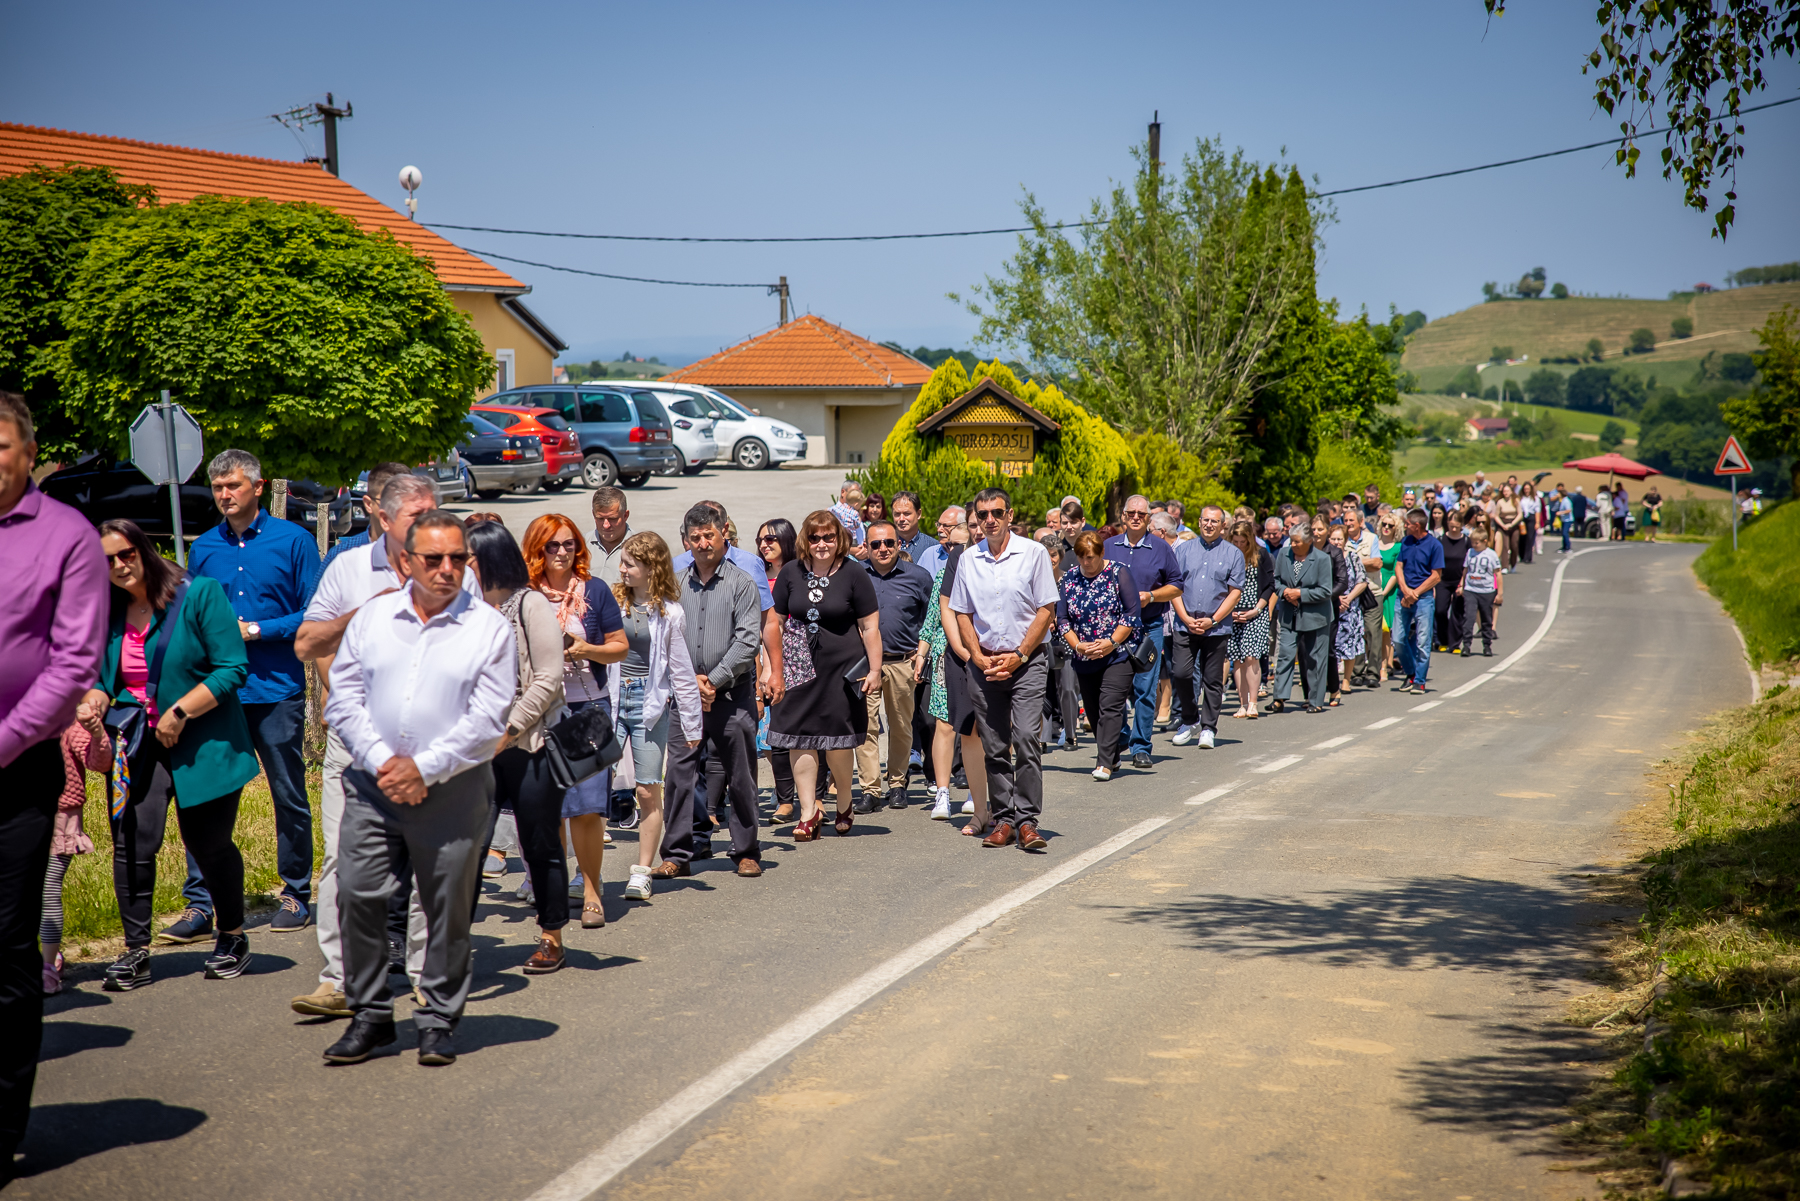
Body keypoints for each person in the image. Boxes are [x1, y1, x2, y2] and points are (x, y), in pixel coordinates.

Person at [320, 510, 513, 1067]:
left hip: (453, 790)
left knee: (446, 908)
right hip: (375, 786)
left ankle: (437, 1018)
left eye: (458, 558)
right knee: (356, 891)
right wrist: (386, 763)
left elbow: (485, 721)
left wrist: (422, 769)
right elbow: (345, 699)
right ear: (406, 561)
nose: (447, 569)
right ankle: (372, 1016)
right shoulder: (374, 618)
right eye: (434, 559)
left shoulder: (489, 630)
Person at [290, 473, 474, 1018]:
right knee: (340, 862)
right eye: (419, 515)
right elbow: (306, 642)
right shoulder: (348, 569)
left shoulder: (452, 571)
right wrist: (365, 613)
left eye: (434, 512)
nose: (430, 524)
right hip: (357, 744)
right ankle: (340, 978)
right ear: (386, 519)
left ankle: (426, 975)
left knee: (428, 865)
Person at [0, 392, 108, 1180]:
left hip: (17, 772)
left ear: (29, 452)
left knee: (4, 949)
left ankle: (3, 1119)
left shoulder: (66, 536)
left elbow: (72, 662)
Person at [82, 518, 260, 991]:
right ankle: (135, 950)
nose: (119, 566)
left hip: (205, 741)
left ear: (144, 549)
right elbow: (103, 678)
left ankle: (232, 935)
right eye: (107, 560)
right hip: (139, 742)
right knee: (132, 844)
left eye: (126, 554)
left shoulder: (198, 594)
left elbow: (232, 668)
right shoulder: (110, 610)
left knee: (208, 843)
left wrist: (180, 711)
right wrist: (96, 699)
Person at [178, 449, 323, 942]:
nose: (224, 495)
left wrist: (255, 630)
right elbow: (194, 613)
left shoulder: (295, 541)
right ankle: (200, 903)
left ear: (258, 488)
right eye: (218, 488)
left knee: (287, 792)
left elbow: (314, 612)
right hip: (219, 693)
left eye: (233, 486)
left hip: (275, 690)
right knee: (207, 796)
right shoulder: (205, 549)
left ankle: (296, 892)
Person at [462, 521, 572, 972]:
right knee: (467, 848)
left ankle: (552, 936)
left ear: (487, 557)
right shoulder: (464, 609)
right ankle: (452, 942)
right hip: (475, 751)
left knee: (539, 841)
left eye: (465, 556)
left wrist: (507, 729)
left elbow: (548, 677)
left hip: (529, 747)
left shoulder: (531, 604)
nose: (456, 564)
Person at [650, 506, 767, 877]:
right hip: (685, 698)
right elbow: (663, 637)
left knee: (741, 775)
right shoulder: (674, 585)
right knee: (680, 776)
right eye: (695, 537)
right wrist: (691, 685)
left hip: (732, 696)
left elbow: (748, 641)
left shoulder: (742, 583)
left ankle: (746, 850)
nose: (702, 543)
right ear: (686, 541)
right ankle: (677, 854)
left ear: (724, 536)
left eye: (709, 536)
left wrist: (712, 681)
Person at [522, 515, 626, 928]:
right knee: (550, 810)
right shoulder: (525, 596)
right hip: (540, 712)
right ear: (537, 549)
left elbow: (619, 647)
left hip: (587, 713)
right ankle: (555, 889)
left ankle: (593, 891)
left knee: (587, 811)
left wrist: (586, 648)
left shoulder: (595, 591)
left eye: (568, 544)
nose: (562, 552)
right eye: (552, 545)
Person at [948, 487, 1060, 851]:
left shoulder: (1034, 553)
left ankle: (1027, 821)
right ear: (976, 520)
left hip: (1026, 662)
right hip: (984, 662)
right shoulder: (968, 559)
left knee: (1026, 737)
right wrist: (975, 657)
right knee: (994, 746)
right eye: (982, 515)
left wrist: (1021, 655)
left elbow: (1046, 609)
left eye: (997, 512)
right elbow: (962, 612)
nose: (990, 520)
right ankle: (1004, 819)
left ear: (1010, 515)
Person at [767, 510, 882, 840]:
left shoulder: (854, 573)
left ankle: (844, 802)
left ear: (839, 539)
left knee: (837, 740)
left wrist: (875, 670)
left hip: (842, 670)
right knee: (798, 737)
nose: (821, 544)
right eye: (815, 537)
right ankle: (808, 812)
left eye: (828, 537)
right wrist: (771, 668)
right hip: (797, 664)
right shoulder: (791, 572)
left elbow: (870, 626)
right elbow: (774, 622)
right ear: (806, 539)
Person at [609, 533, 704, 901]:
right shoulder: (612, 601)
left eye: (630, 563)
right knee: (594, 784)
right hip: (612, 700)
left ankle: (641, 871)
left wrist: (693, 725)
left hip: (649, 704)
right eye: (623, 562)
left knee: (648, 789)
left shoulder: (670, 611)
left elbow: (681, 672)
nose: (622, 568)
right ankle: (583, 873)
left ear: (651, 568)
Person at [855, 521, 933, 811]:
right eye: (875, 544)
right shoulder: (856, 576)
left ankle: (897, 783)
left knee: (901, 726)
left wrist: (922, 653)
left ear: (899, 544)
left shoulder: (919, 577)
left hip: (903, 662)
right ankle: (870, 790)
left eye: (889, 542)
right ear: (867, 546)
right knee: (866, 726)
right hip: (864, 666)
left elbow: (932, 617)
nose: (883, 549)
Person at [1056, 532, 1142, 782]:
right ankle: (1113, 753)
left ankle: (1103, 763)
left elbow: (1131, 614)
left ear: (1101, 554)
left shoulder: (1118, 572)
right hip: (1084, 656)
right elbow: (1062, 619)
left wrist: (1111, 642)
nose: (1086, 562)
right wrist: (1078, 646)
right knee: (1093, 712)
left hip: (1117, 654)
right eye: (1081, 557)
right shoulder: (1070, 578)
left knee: (1110, 707)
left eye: (1091, 557)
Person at [1104, 495, 1182, 769]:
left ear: (1149, 518)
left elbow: (1176, 587)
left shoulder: (1161, 548)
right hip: (1115, 630)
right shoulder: (1108, 547)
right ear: (1123, 516)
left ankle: (1141, 747)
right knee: (1115, 690)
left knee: (1145, 688)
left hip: (1149, 627)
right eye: (1131, 513)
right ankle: (1121, 736)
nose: (1136, 517)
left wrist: (1151, 595)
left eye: (1141, 513)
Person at [1169, 505, 1245, 750]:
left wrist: (1213, 620)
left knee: (1212, 680)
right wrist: (1185, 617)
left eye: (1215, 521)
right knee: (1180, 673)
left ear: (1223, 525)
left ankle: (1208, 728)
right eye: (1205, 520)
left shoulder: (1234, 553)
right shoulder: (1183, 550)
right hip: (1185, 623)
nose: (1209, 525)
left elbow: (1234, 593)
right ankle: (1189, 720)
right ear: (1199, 522)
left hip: (1217, 627)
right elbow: (1174, 587)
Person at [1267, 523, 1334, 714]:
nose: (1293, 545)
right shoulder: (1284, 554)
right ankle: (1279, 698)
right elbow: (1276, 580)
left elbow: (1325, 590)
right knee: (1285, 655)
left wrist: (1300, 594)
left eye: (1297, 542)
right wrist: (1286, 592)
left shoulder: (1322, 559)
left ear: (1309, 541)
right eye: (1292, 541)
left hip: (1316, 616)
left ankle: (1315, 700)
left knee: (1315, 658)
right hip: (1289, 615)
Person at [1038, 534, 1084, 753]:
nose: (1050, 559)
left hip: (1065, 641)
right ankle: (1042, 737)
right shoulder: (1034, 582)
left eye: (1053, 554)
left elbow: (1078, 611)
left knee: (1066, 688)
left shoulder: (1069, 580)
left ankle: (1070, 734)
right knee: (1041, 691)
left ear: (1060, 555)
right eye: (1045, 555)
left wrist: (1061, 619)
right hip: (1040, 641)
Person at [322, 461, 411, 573]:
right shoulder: (341, 556)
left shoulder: (426, 555)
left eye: (406, 501)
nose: (398, 509)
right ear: (369, 504)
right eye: (389, 501)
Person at [1392, 508, 1444, 695]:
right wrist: (1406, 591)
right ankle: (1411, 672)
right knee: (1398, 638)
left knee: (1423, 641)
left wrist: (1415, 593)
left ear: (1417, 525)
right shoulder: (1406, 541)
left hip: (1423, 599)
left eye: (1407, 524)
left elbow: (1436, 576)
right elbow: (1399, 567)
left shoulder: (1434, 545)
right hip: (1403, 596)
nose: (1404, 526)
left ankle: (1419, 681)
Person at [1226, 520, 1273, 718]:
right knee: (1237, 660)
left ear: (1250, 540)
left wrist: (1257, 609)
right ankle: (1242, 703)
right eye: (1235, 541)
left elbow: (1270, 585)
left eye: (1242, 541)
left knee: (1251, 656)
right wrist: (1228, 611)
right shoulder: (1227, 556)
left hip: (1255, 612)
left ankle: (1253, 703)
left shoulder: (1261, 555)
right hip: (1233, 613)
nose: (1239, 545)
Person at [1343, 508, 1383, 688]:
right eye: (1346, 520)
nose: (1348, 523)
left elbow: (1377, 563)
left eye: (1352, 520)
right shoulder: (1340, 540)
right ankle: (1356, 672)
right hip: (1351, 594)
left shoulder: (1371, 538)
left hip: (1372, 592)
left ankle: (1373, 672)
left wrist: (1353, 560)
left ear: (1361, 522)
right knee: (1356, 632)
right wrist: (1362, 561)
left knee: (1373, 633)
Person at [1328, 526, 1369, 702]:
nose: (1336, 542)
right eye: (1333, 539)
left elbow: (1362, 581)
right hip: (1331, 605)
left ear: (1345, 540)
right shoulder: (1324, 557)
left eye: (1339, 539)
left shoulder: (1352, 557)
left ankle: (1346, 680)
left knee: (1349, 645)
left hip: (1350, 607)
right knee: (1332, 646)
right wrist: (1336, 599)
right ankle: (1332, 681)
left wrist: (1348, 599)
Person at [1457, 529, 1504, 656]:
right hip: (1471, 590)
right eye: (1472, 542)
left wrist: (1499, 593)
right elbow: (1466, 569)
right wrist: (1462, 585)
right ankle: (1466, 645)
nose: (1474, 545)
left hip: (1487, 591)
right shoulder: (1470, 552)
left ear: (1485, 541)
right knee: (1469, 618)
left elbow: (1498, 573)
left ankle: (1487, 645)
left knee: (1486, 619)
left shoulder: (1491, 554)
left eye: (1476, 543)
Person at [1434, 513, 1471, 654]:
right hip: (1442, 580)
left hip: (1459, 580)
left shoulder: (1466, 541)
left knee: (1458, 613)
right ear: (1447, 524)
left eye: (1457, 525)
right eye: (1452, 525)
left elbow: (1467, 565)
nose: (1454, 528)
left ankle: (1455, 643)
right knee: (1440, 610)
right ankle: (1442, 641)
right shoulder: (1441, 540)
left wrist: (1462, 583)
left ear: (1462, 525)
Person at [587, 485, 634, 586]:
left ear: (625, 515)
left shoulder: (641, 548)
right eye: (600, 518)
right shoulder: (579, 546)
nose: (606, 525)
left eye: (612, 519)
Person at [915, 505, 962, 577]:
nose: (939, 529)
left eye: (946, 526)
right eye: (939, 524)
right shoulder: (929, 554)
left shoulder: (970, 555)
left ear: (962, 527)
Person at [889, 491, 935, 563]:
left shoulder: (932, 547)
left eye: (907, 514)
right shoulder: (883, 546)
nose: (901, 519)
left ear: (919, 514)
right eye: (897, 514)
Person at [1491, 483, 1521, 573]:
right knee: (1504, 545)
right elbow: (1496, 516)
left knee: (1514, 545)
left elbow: (1520, 514)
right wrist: (1503, 525)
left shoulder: (1515, 501)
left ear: (1511, 492)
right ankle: (1504, 566)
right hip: (1503, 524)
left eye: (1507, 491)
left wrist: (1512, 524)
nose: (1506, 493)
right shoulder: (1500, 502)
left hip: (1513, 524)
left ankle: (1513, 564)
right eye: (1504, 491)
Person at [1518, 481, 1540, 564]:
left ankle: (1528, 557)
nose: (1526, 490)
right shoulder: (1521, 498)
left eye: (1528, 489)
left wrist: (1537, 522)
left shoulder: (1535, 498)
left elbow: (1537, 510)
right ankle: (1522, 556)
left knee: (1530, 537)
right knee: (1522, 537)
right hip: (1522, 518)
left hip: (1531, 517)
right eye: (1525, 489)